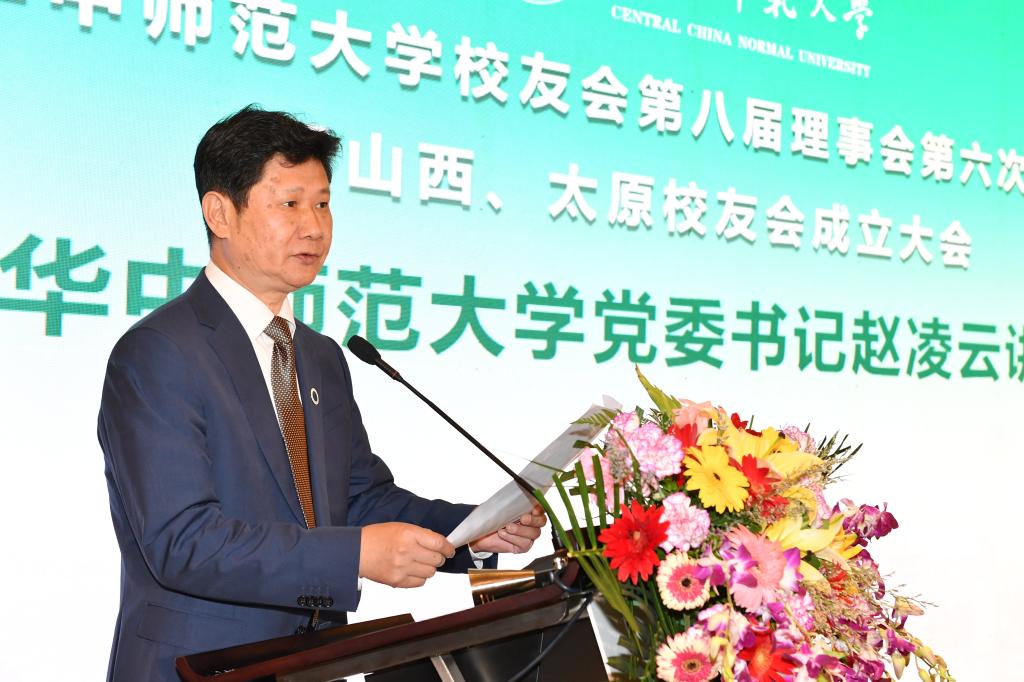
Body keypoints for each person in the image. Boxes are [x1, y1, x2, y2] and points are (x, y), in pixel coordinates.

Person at [97, 105, 546, 681]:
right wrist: (357, 555)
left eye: (323, 203)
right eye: (289, 204)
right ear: (220, 213)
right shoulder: (160, 352)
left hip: (311, 665)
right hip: (197, 667)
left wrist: (474, 531)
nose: (314, 227)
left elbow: (358, 501)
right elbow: (184, 542)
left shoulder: (320, 355)